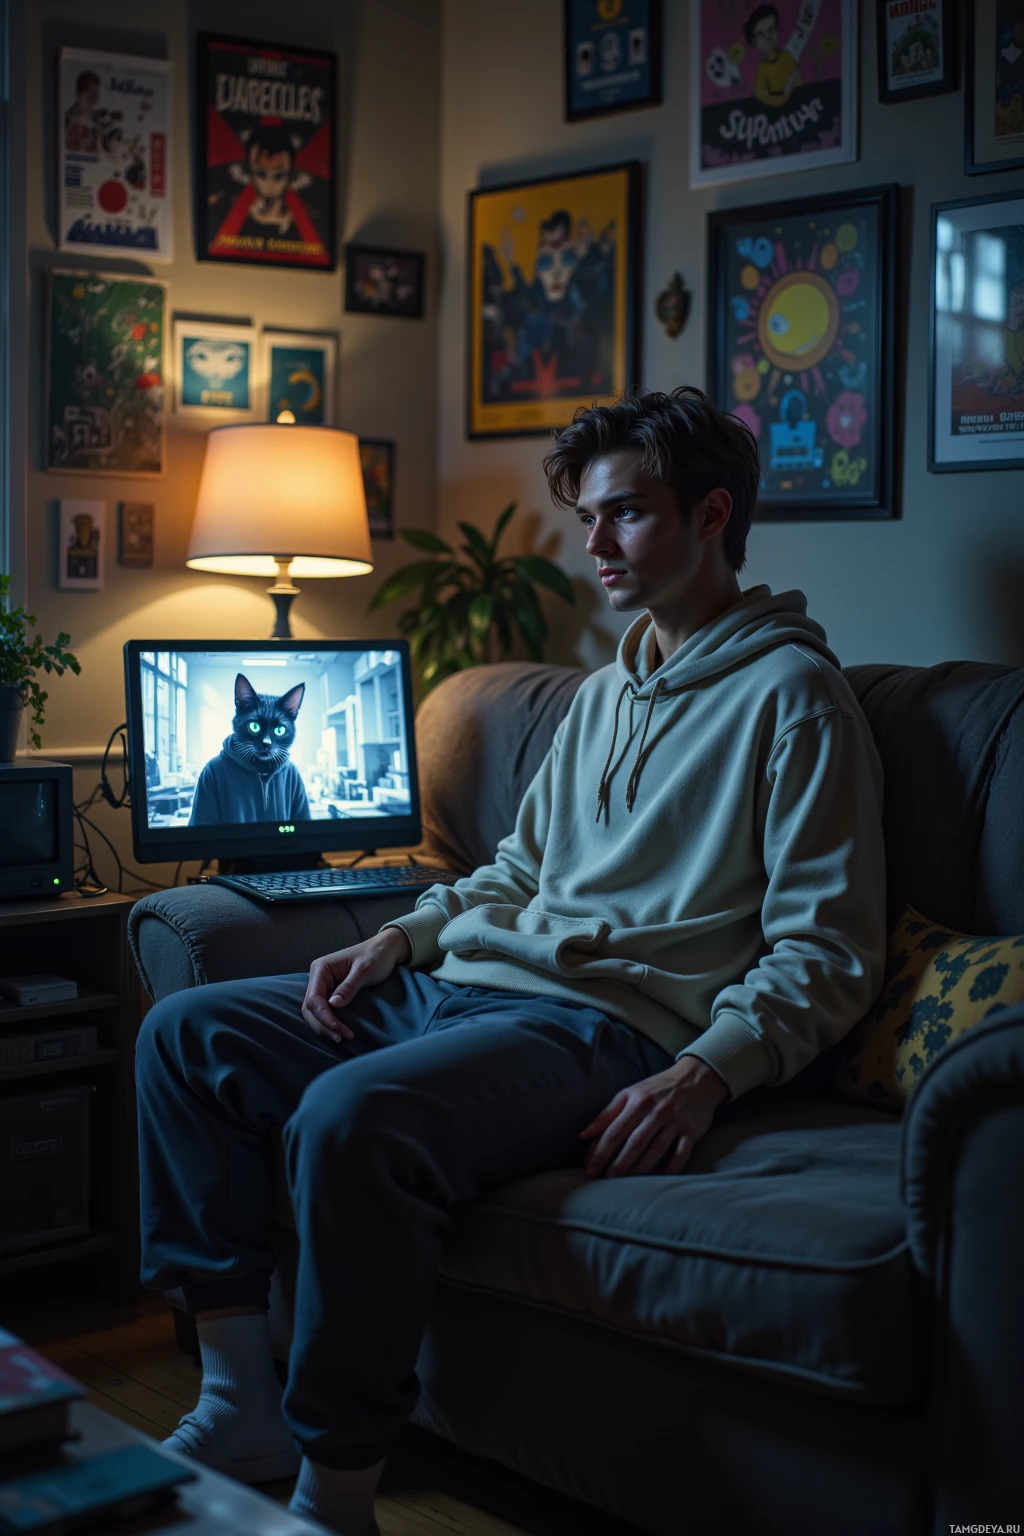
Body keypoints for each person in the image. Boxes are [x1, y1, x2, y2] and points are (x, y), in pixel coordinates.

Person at [136, 385, 887, 1536]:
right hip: (459, 988)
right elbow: (508, 874)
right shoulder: (597, 694)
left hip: (603, 1029)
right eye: (588, 517)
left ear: (710, 516)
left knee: (349, 1117)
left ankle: (334, 1494)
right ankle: (240, 1400)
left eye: (623, 516)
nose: (593, 545)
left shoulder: (797, 700)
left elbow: (828, 949)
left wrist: (710, 1070)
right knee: (184, 1035)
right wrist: (395, 940)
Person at [745, 4, 803, 107]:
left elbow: (798, 80)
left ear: (777, 29)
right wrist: (780, 100)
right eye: (761, 34)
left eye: (771, 29)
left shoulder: (786, 57)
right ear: (754, 41)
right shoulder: (762, 68)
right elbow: (761, 94)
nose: (768, 37)